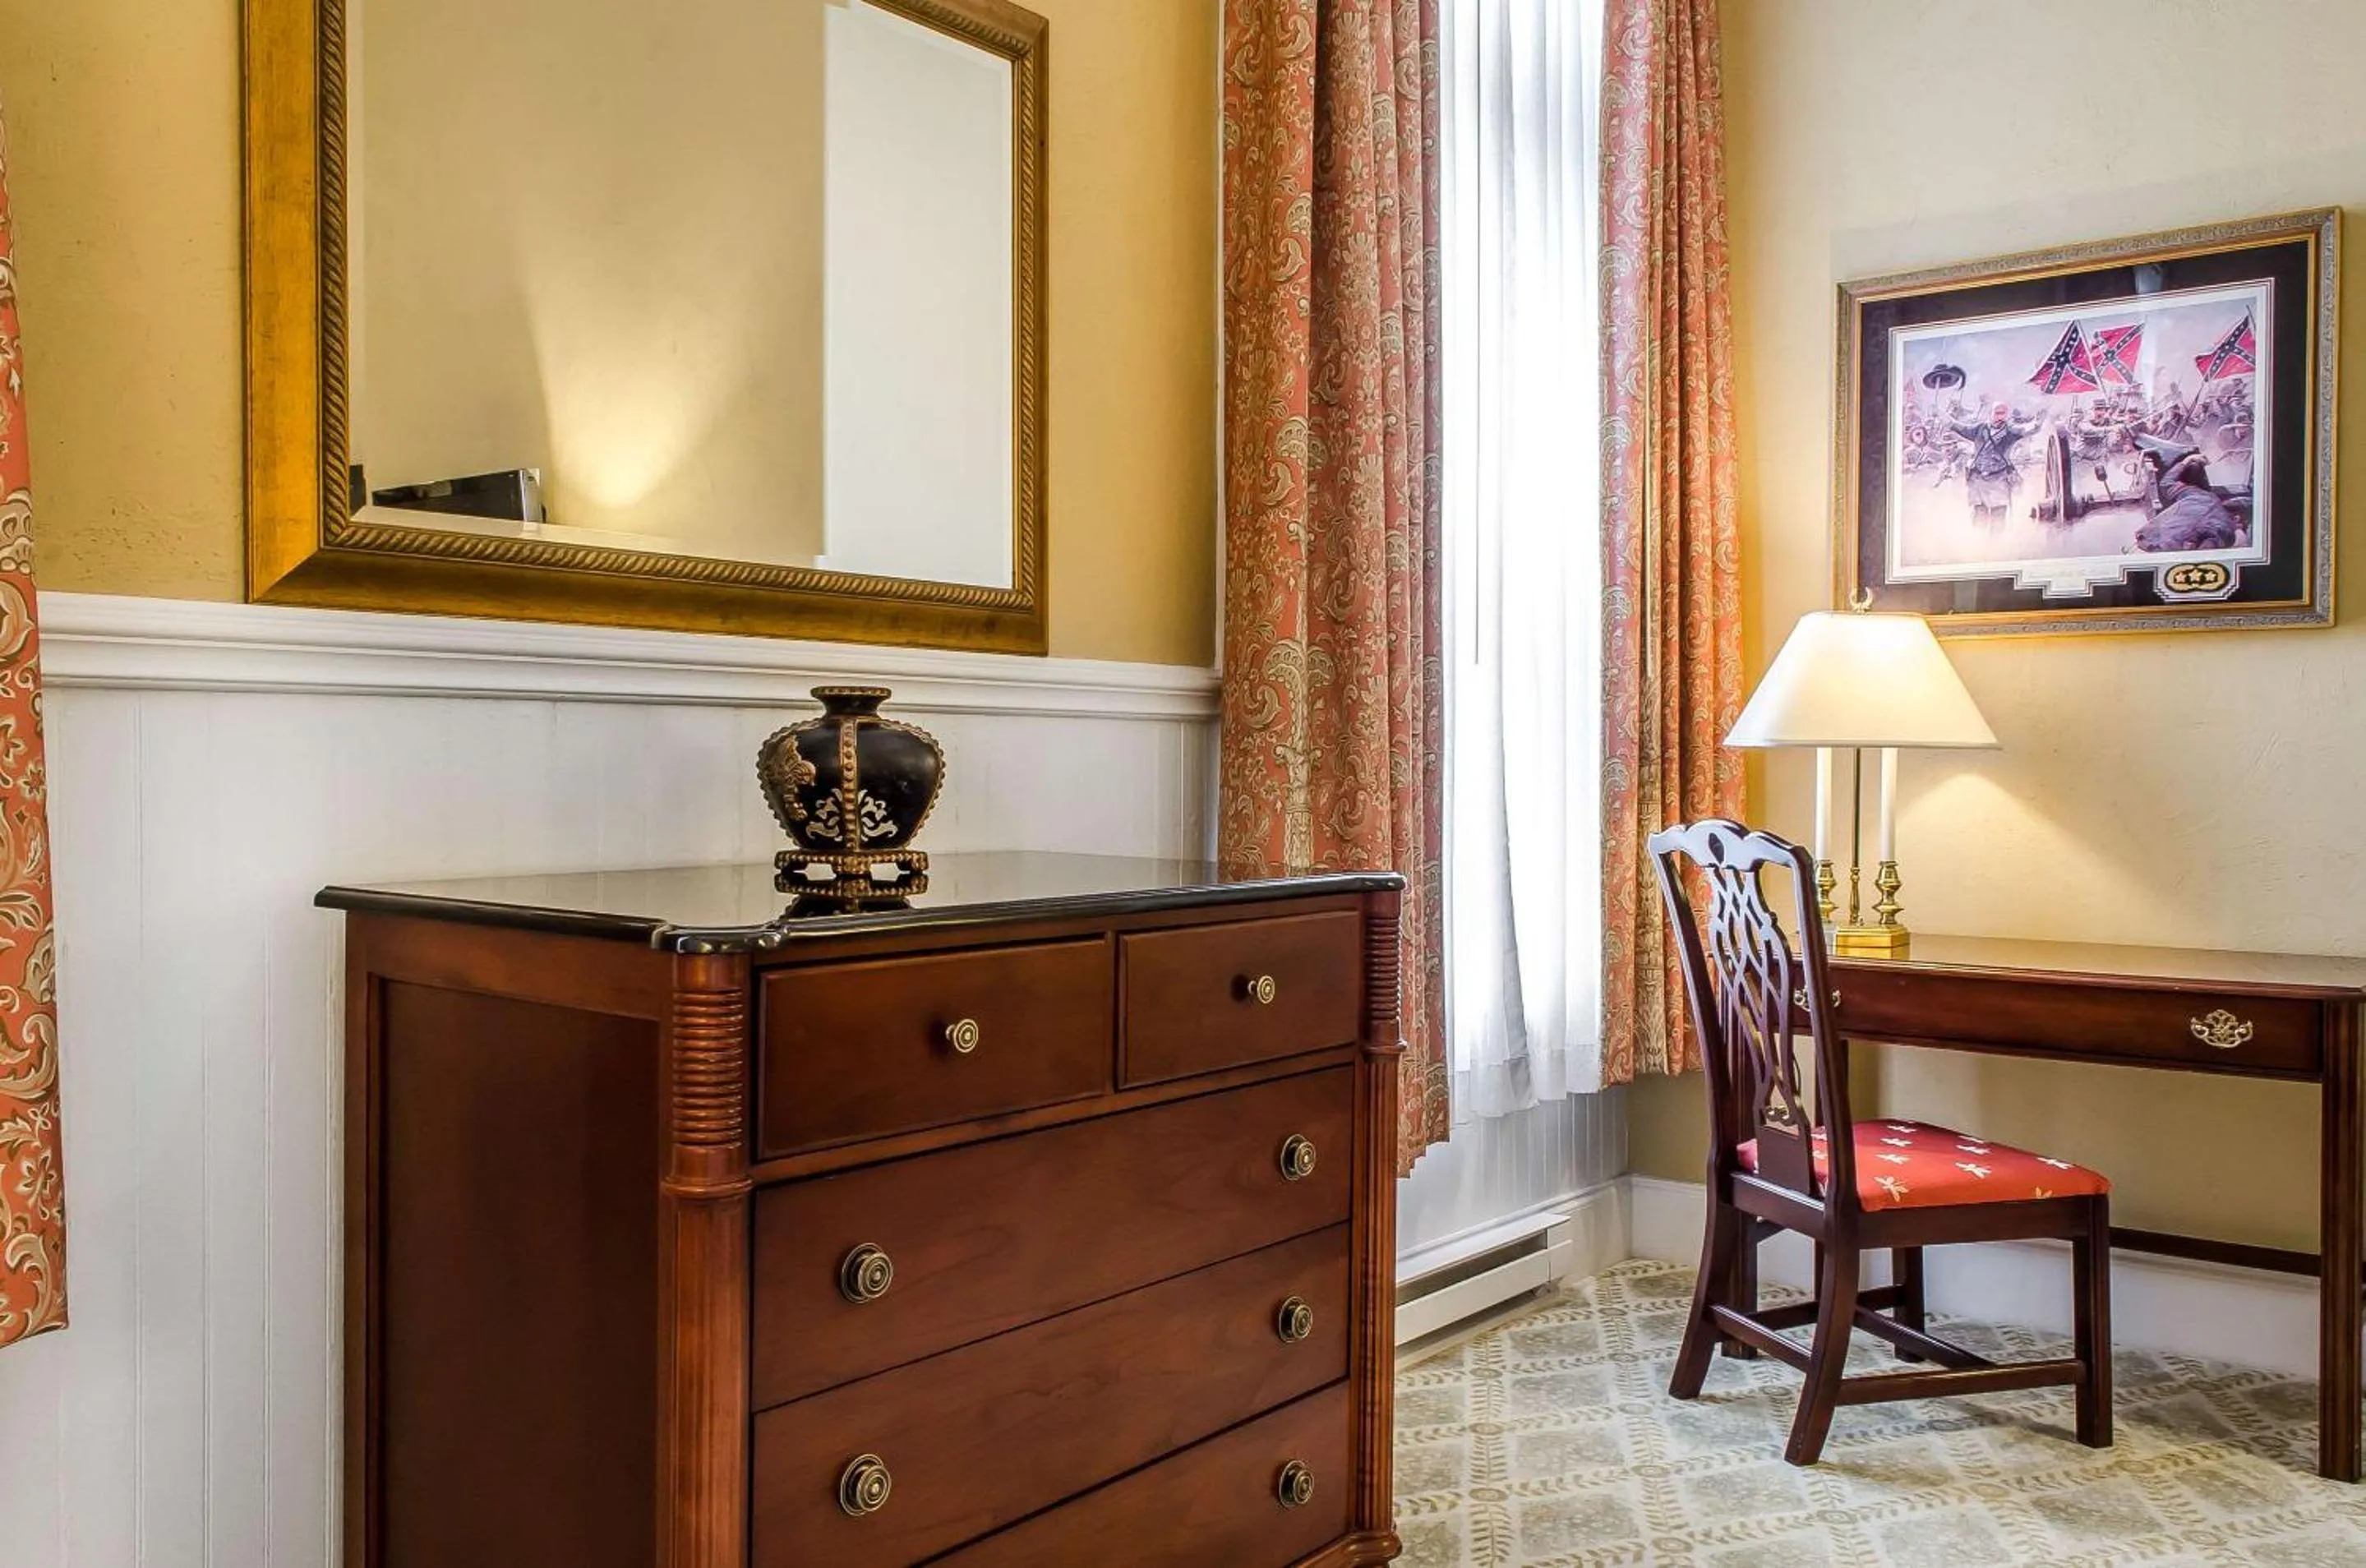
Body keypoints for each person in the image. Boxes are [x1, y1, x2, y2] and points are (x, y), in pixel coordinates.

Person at [1949, 402, 2045, 525]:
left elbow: (2027, 430)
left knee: (1998, 517)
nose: (2000, 417)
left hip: (1999, 479)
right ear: (1991, 414)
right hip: (1978, 479)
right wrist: (1942, 416)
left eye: (2003, 414)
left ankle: (1997, 543)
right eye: (1997, 413)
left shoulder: (2011, 431)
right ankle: (1979, 543)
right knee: (1979, 516)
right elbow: (1959, 427)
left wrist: (2037, 423)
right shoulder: (1979, 429)